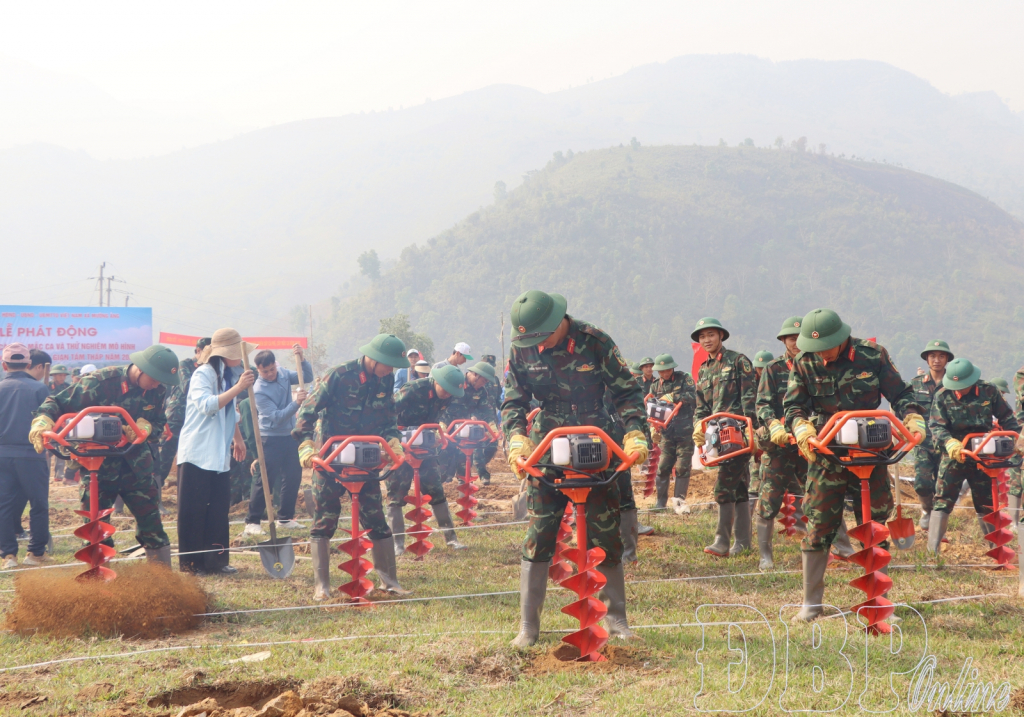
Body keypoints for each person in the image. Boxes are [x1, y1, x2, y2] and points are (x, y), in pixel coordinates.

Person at [502, 290, 648, 647]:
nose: (537, 346)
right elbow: (513, 400)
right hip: (547, 444)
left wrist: (634, 433)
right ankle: (528, 627)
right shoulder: (523, 347)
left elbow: (627, 393)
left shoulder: (595, 342)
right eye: (531, 341)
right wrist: (517, 439)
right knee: (540, 533)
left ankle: (616, 620)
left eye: (542, 338)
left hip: (595, 437)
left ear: (558, 323)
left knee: (605, 532)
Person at [783, 309, 925, 622]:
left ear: (841, 339)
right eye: (816, 348)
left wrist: (912, 416)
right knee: (819, 522)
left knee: (873, 523)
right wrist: (801, 428)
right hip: (826, 449)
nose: (821, 354)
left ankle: (878, 601)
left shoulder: (872, 355)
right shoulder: (805, 361)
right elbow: (793, 406)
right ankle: (811, 605)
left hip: (870, 449)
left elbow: (900, 393)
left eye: (826, 348)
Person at [30, 344, 181, 567]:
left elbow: (159, 422)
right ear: (141, 369)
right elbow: (56, 402)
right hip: (98, 467)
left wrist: (147, 427)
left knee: (153, 526)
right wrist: (43, 421)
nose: (158, 385)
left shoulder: (156, 390)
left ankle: (163, 578)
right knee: (96, 529)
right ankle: (99, 580)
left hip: (137, 466)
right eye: (155, 379)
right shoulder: (99, 382)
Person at [293, 333, 410, 600]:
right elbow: (307, 410)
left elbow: (388, 416)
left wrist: (394, 441)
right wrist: (306, 445)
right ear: (374, 358)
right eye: (388, 364)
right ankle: (322, 586)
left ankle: (389, 581)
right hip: (331, 458)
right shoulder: (339, 375)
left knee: (376, 519)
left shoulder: (385, 378)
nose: (391, 370)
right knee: (325, 519)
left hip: (365, 458)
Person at [175, 329, 255, 574]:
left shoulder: (228, 377)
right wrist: (238, 387)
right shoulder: (203, 374)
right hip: (198, 451)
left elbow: (230, 412)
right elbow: (207, 405)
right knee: (194, 510)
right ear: (224, 354)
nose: (240, 358)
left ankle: (216, 562)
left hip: (219, 454)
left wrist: (238, 439)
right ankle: (192, 564)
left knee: (218, 509)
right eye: (236, 353)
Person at [925, 360, 1021, 552]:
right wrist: (949, 442)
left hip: (983, 453)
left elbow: (1007, 418)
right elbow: (936, 426)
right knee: (943, 500)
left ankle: (996, 549)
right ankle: (932, 552)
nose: (959, 390)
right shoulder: (943, 395)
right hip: (955, 454)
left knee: (986, 502)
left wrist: (1017, 439)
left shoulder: (989, 391)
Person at [691, 317, 758, 557]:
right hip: (716, 436)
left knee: (723, 487)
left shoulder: (738, 361)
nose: (706, 340)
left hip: (737, 432)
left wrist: (751, 429)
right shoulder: (703, 369)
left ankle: (721, 541)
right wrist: (698, 425)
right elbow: (701, 406)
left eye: (711, 334)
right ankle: (743, 543)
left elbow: (750, 397)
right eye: (702, 336)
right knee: (738, 487)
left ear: (721, 336)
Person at [390, 364, 467, 551]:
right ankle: (397, 544)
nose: (447, 395)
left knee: (436, 491)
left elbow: (437, 417)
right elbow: (387, 413)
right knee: (396, 494)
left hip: (425, 446)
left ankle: (451, 539)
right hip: (400, 445)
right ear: (436, 381)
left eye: (451, 393)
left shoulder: (448, 396)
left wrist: (437, 430)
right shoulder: (413, 390)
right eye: (445, 390)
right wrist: (392, 439)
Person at [754, 319, 811, 571]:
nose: (796, 342)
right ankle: (765, 555)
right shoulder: (773, 368)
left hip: (809, 443)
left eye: (800, 337)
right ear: (783, 341)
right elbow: (763, 404)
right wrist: (772, 424)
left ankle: (833, 547)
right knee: (769, 498)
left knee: (820, 495)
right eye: (791, 338)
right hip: (779, 445)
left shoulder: (816, 365)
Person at [242, 344, 313, 534]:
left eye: (272, 369)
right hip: (270, 438)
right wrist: (296, 403)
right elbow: (277, 417)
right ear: (258, 370)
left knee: (293, 477)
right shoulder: (258, 390)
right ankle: (252, 522)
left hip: (290, 435)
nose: (270, 374)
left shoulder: (282, 373)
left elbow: (306, 377)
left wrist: (302, 359)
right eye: (265, 371)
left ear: (275, 364)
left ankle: (285, 518)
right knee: (264, 479)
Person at [0, 344, 51, 569]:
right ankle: (35, 553)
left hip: (2, 456)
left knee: (4, 505)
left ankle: (8, 556)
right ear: (29, 364)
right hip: (32, 454)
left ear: (4, 365)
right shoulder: (40, 389)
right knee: (38, 504)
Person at [155, 338, 211, 491]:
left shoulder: (210, 369)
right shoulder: (185, 365)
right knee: (165, 457)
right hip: (176, 418)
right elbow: (188, 387)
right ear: (198, 351)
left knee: (192, 459)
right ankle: (154, 492)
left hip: (195, 420)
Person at [911, 340, 954, 530]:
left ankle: (938, 520)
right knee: (922, 483)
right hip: (923, 442)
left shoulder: (954, 383)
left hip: (946, 442)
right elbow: (906, 408)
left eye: (941, 356)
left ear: (947, 359)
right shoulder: (916, 384)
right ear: (927, 359)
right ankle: (927, 510)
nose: (937, 360)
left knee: (943, 485)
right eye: (933, 356)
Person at [648, 353, 696, 513]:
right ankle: (660, 503)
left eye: (667, 370)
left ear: (673, 368)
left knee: (682, 467)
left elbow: (693, 396)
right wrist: (654, 426)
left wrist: (674, 397)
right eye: (661, 371)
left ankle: (679, 504)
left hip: (684, 432)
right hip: (666, 433)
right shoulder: (655, 386)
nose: (665, 373)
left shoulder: (684, 379)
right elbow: (651, 406)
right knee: (663, 467)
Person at [440, 361, 500, 485]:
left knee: (465, 462)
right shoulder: (456, 383)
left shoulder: (481, 391)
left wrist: (491, 425)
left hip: (463, 429)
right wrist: (441, 423)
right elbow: (442, 402)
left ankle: (464, 487)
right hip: (446, 426)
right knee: (443, 462)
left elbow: (486, 409)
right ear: (475, 374)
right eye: (483, 381)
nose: (484, 384)